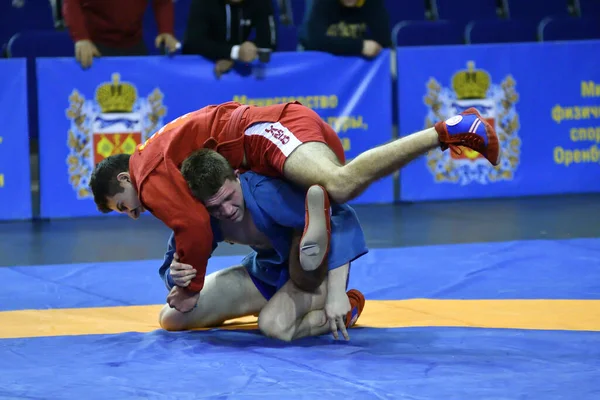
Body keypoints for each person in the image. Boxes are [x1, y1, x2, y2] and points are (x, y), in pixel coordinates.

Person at [89, 102, 499, 312]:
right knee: (306, 212)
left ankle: (452, 130)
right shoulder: (157, 162)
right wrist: (175, 275)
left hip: (263, 133)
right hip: (260, 150)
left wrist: (190, 286)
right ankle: (322, 298)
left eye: (123, 206)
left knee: (337, 185)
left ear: (125, 180)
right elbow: (189, 231)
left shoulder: (146, 173)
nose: (133, 213)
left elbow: (194, 228)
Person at [158, 148, 368, 341]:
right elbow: (171, 265)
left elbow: (340, 216)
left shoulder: (267, 193)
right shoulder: (200, 219)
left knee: (275, 327)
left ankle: (349, 307)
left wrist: (337, 291)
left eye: (230, 197)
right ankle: (276, 304)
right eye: (215, 207)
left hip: (313, 275)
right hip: (267, 272)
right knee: (171, 318)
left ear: (237, 176)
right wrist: (175, 276)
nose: (228, 211)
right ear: (200, 206)